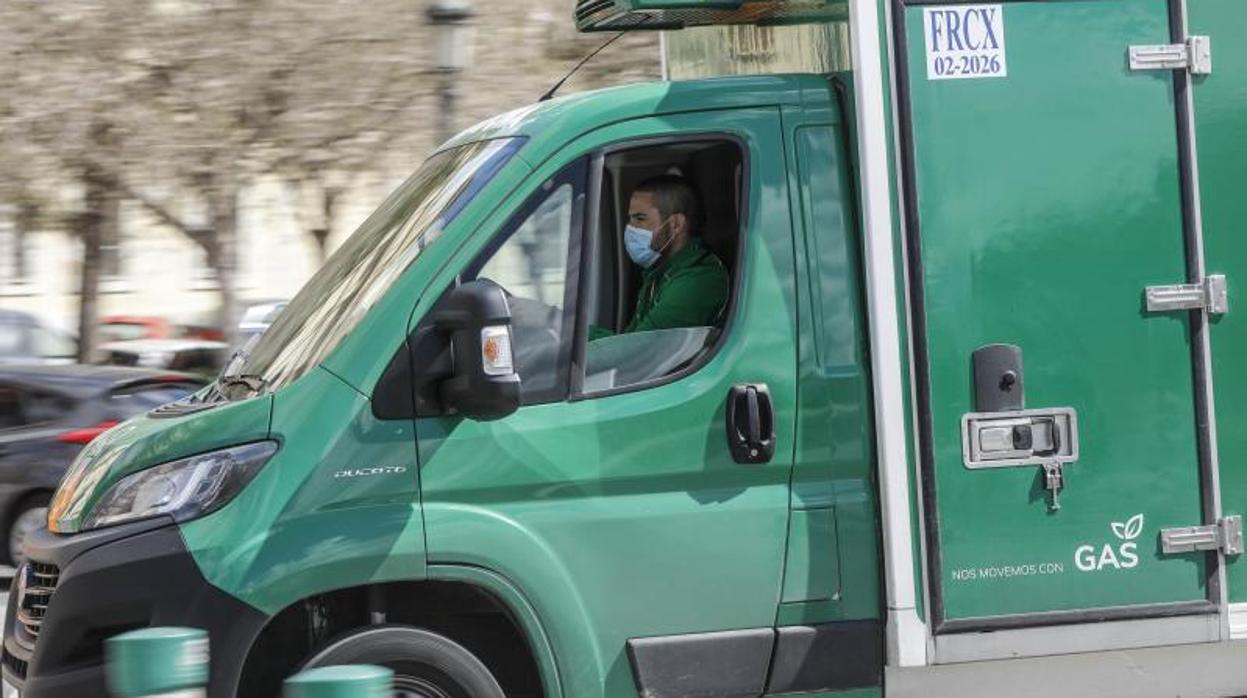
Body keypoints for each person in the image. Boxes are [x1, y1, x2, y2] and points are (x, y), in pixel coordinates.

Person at [602, 175, 729, 337]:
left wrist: (573, 333)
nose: (630, 228)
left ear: (675, 224)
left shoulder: (699, 280)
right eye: (630, 219)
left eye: (640, 219)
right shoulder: (659, 272)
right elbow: (630, 339)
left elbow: (638, 347)